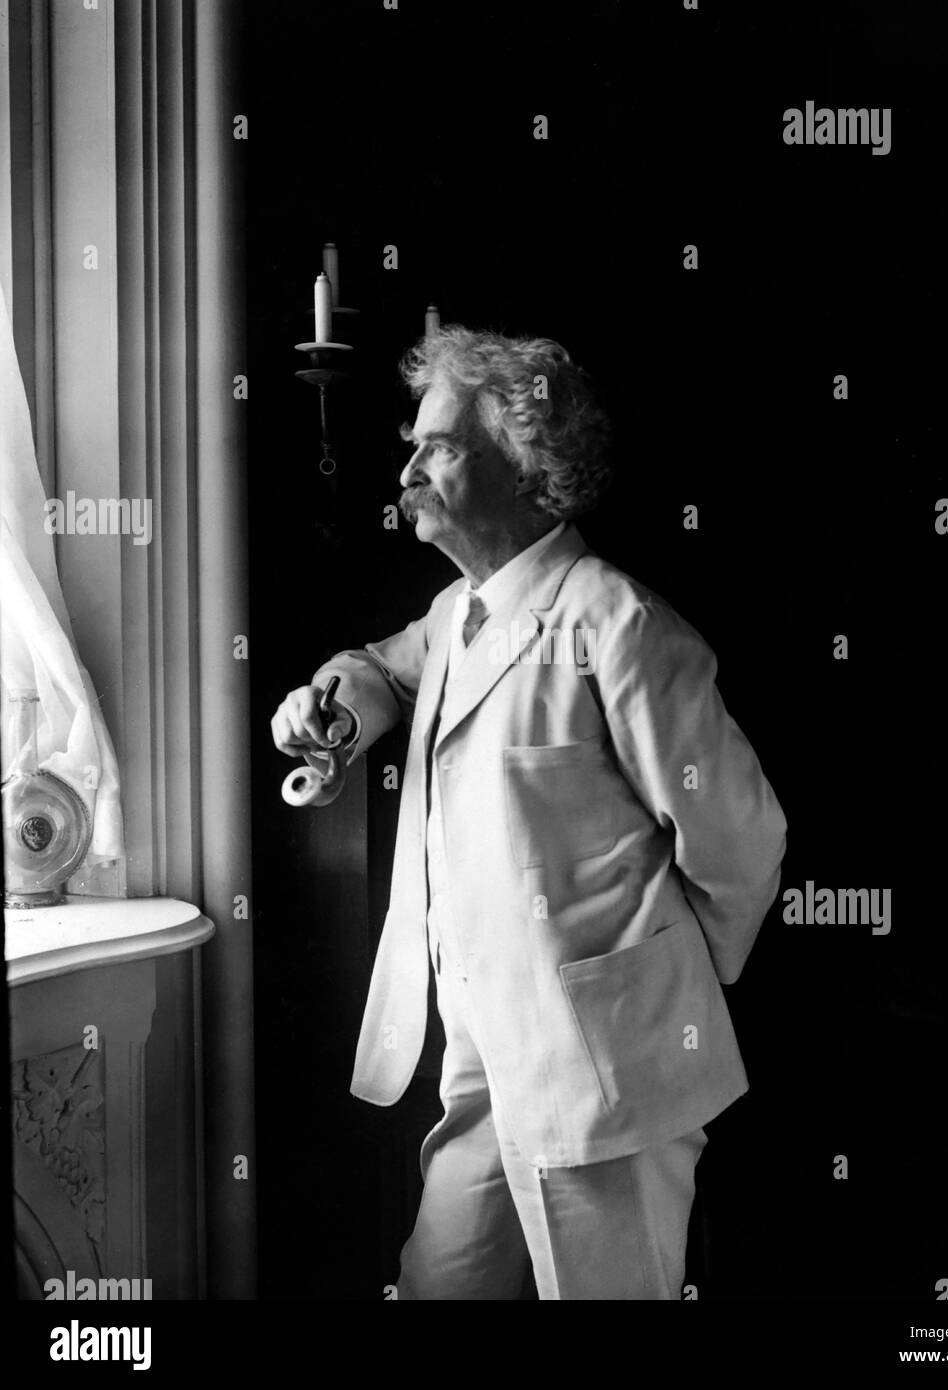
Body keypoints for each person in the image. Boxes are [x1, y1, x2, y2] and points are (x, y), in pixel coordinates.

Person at [271, 326, 787, 1299]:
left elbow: (740, 840)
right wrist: (328, 709)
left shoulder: (618, 626)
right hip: (478, 1068)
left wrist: (662, 980)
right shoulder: (456, 616)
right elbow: (380, 667)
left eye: (440, 445)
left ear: (523, 464)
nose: (410, 463)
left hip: (608, 1080)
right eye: (412, 443)